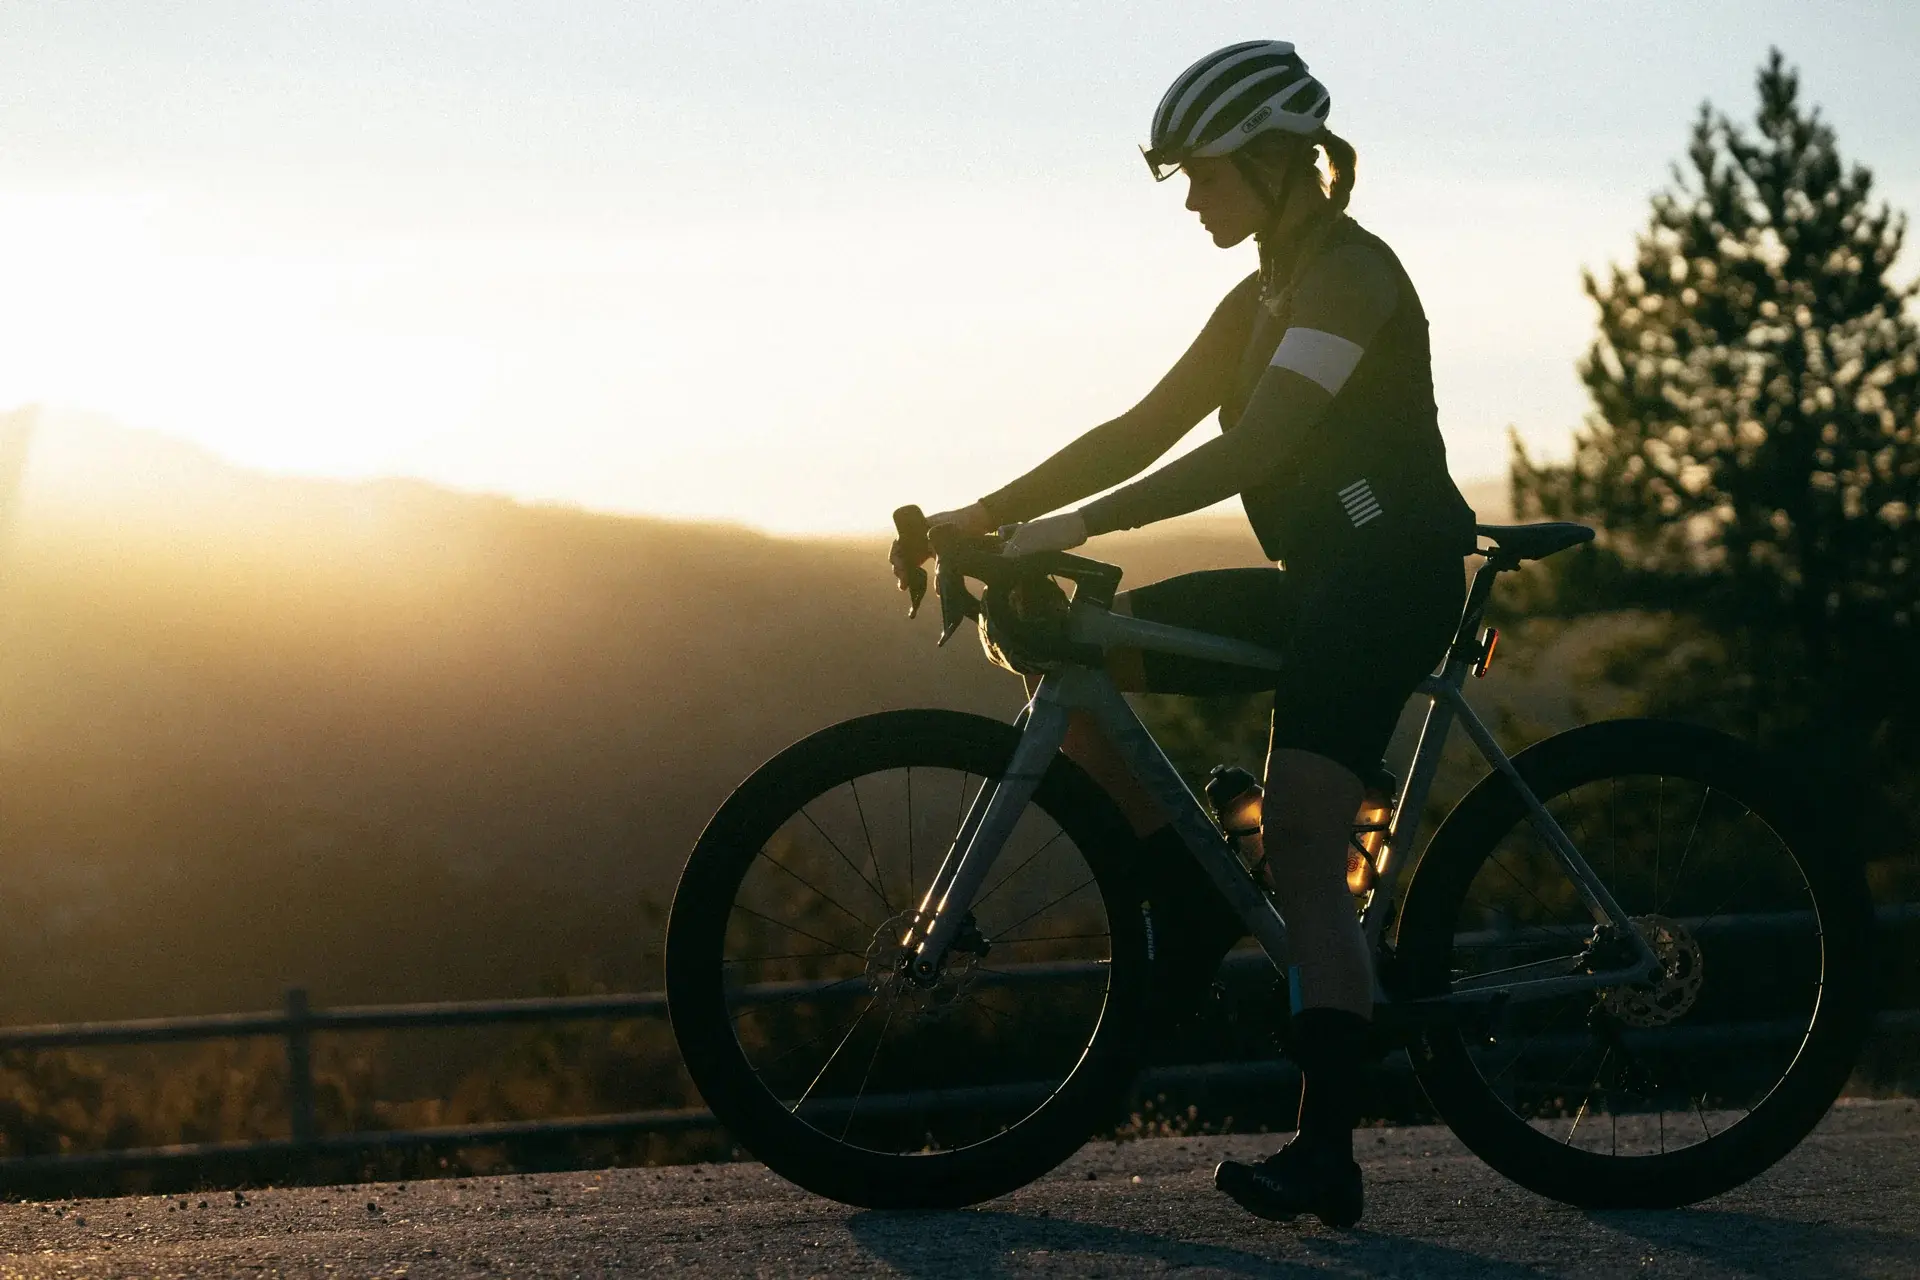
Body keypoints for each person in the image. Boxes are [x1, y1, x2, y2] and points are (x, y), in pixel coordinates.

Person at [891, 40, 1474, 1228]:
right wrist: (986, 513)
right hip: (1320, 579)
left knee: (1303, 829)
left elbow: (1254, 445)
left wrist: (1073, 523)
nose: (1193, 199)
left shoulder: (1350, 276)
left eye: (1204, 174)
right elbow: (1143, 426)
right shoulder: (1261, 293)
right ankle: (1194, 895)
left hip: (1391, 580)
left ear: (1274, 160)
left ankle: (1327, 1152)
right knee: (1071, 644)